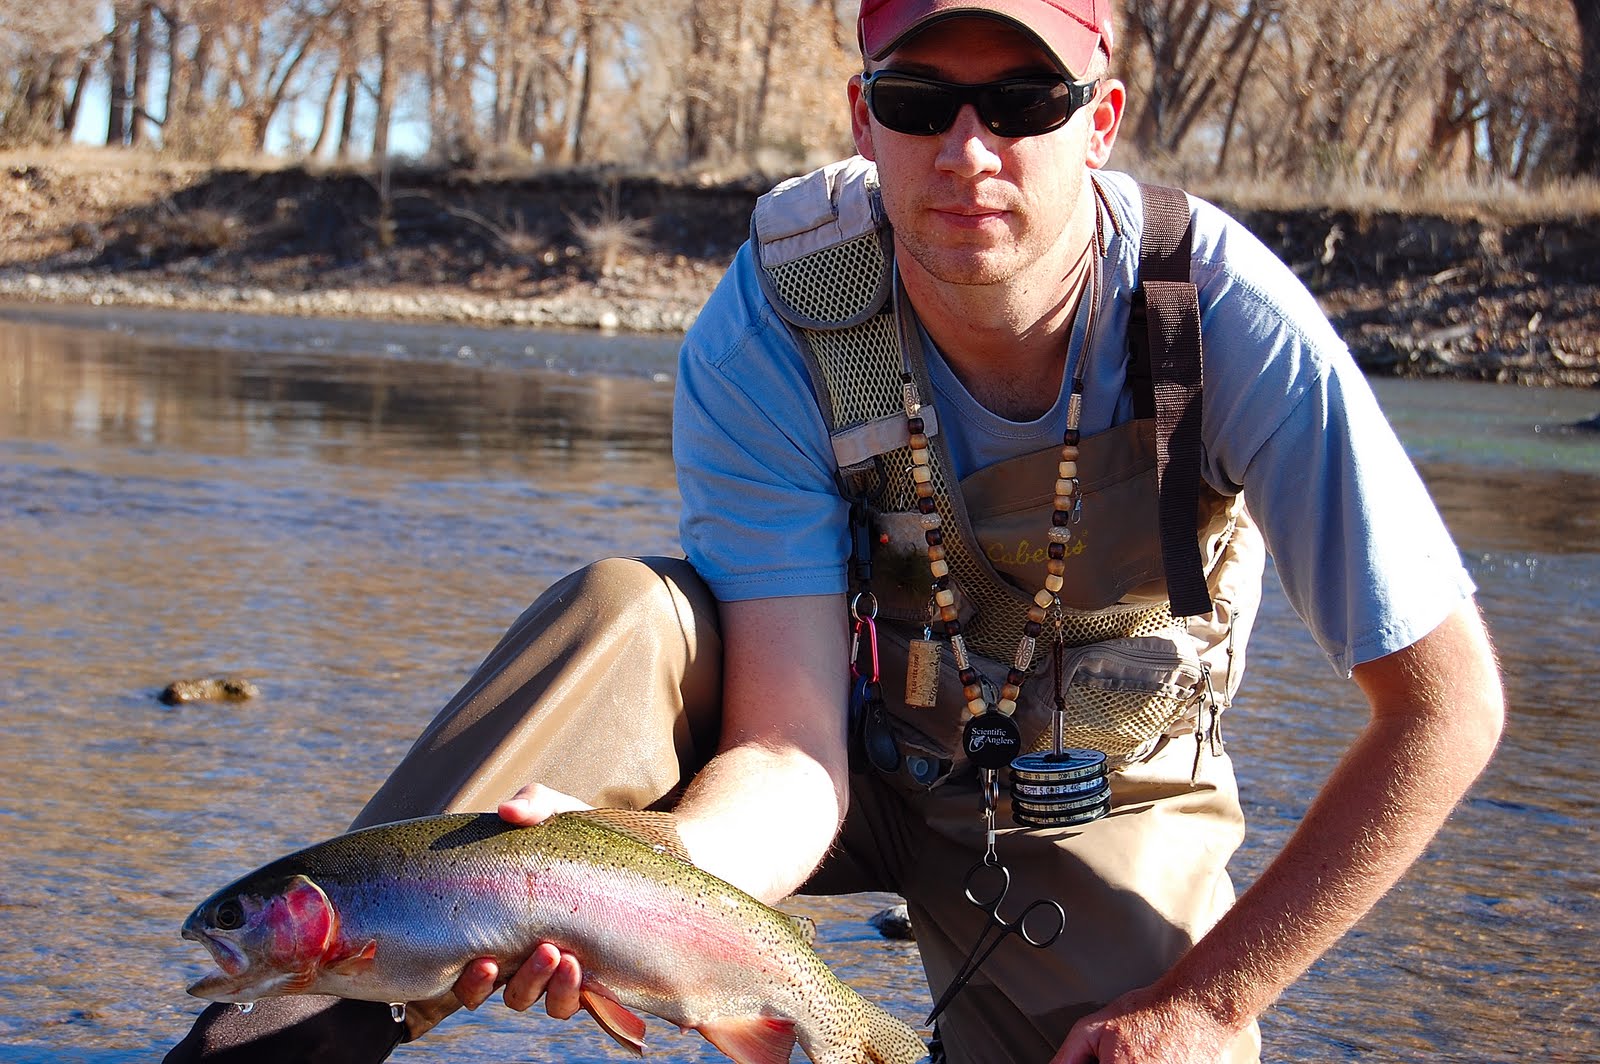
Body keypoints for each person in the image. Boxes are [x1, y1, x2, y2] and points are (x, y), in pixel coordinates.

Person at [166, 0, 1505, 1061]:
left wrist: (1210, 1006)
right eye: (922, 102)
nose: (968, 150)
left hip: (1087, 809)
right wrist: (644, 877)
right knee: (621, 617)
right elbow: (790, 752)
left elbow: (1446, 712)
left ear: (1098, 120)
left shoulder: (1215, 327)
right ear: (866, 120)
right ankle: (290, 1033)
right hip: (847, 758)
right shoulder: (784, 318)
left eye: (1023, 101)